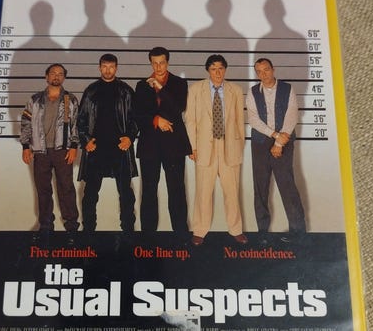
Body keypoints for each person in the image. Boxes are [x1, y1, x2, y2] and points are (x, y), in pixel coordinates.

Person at [185, 55, 248, 246]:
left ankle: (236, 230)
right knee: (203, 192)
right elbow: (190, 120)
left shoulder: (235, 90)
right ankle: (200, 230)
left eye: (221, 68)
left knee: (232, 192)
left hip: (230, 147)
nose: (218, 72)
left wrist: (239, 145)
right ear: (208, 70)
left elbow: (239, 121)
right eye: (213, 69)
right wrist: (192, 147)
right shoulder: (196, 89)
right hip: (204, 148)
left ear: (225, 69)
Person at [134, 46, 191, 244]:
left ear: (168, 62)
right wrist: (156, 119)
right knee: (149, 190)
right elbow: (137, 114)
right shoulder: (141, 85)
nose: (158, 67)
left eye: (162, 63)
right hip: (149, 145)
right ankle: (147, 235)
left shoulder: (179, 83)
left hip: (173, 144)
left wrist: (160, 87)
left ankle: (181, 234)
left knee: (176, 189)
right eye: (155, 63)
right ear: (151, 63)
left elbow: (178, 107)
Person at [77, 54, 138, 238]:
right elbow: (81, 120)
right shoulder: (91, 91)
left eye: (111, 67)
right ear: (99, 68)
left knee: (126, 193)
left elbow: (136, 118)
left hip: (120, 148)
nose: (108, 70)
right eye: (104, 66)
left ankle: (128, 232)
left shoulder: (126, 91)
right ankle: (88, 232)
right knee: (90, 193)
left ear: (116, 68)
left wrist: (130, 137)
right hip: (96, 149)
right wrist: (86, 140)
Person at [247, 58, 306, 243]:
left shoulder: (287, 89)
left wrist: (279, 142)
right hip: (260, 142)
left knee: (287, 185)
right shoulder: (252, 92)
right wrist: (274, 134)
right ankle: (262, 232)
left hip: (284, 140)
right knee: (260, 187)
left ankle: (298, 232)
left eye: (266, 69)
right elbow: (253, 119)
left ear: (273, 69)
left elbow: (292, 115)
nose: (263, 74)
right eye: (259, 71)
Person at [20, 63, 80, 241]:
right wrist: (25, 146)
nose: (56, 76)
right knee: (43, 189)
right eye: (53, 73)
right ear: (46, 76)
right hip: (40, 151)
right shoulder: (35, 100)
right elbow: (25, 122)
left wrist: (74, 146)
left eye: (60, 74)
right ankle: (46, 226)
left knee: (66, 188)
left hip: (63, 150)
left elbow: (76, 124)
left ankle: (72, 227)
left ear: (64, 77)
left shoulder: (70, 99)